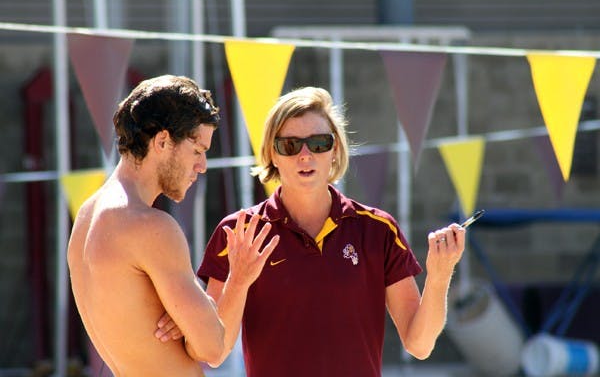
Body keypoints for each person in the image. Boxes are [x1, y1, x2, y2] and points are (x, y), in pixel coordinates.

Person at [156, 86, 466, 377]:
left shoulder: (378, 230)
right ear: (272, 154)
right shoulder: (238, 231)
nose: (305, 156)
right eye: (290, 145)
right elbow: (216, 353)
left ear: (335, 150)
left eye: (319, 143)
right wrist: (239, 280)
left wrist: (440, 275)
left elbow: (419, 345)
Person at [68, 75, 230, 377]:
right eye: (197, 151)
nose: (203, 166)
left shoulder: (86, 217)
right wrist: (232, 286)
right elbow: (213, 347)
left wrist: (183, 313)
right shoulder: (149, 227)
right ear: (163, 141)